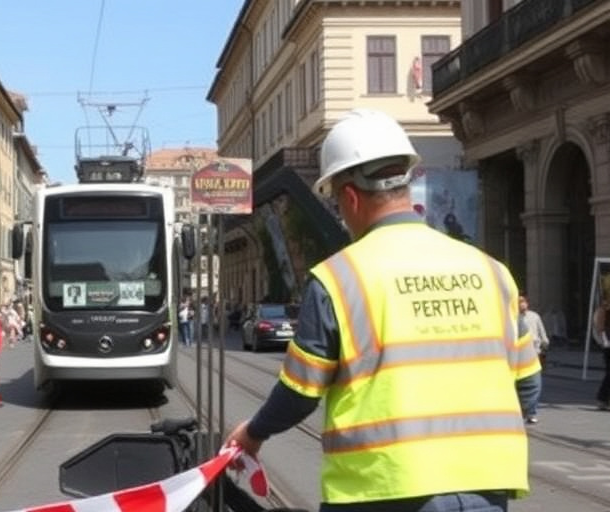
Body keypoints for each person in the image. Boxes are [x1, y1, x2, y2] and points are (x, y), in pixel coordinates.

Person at [223, 109, 541, 512]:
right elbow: (528, 385)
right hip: (486, 486)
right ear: (408, 182)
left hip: (382, 486)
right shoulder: (492, 272)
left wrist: (253, 433)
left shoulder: (339, 278)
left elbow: (300, 392)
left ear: (350, 197)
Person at [518, 294, 548, 424]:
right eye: (519, 302)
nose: (522, 304)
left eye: (523, 301)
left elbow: (542, 332)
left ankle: (531, 412)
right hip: (519, 355)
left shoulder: (534, 316)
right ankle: (523, 409)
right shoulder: (512, 318)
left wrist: (545, 343)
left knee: (535, 382)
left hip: (535, 352)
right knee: (523, 384)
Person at [594, 299, 610, 410]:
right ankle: (602, 399)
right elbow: (600, 328)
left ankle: (603, 399)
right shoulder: (603, 309)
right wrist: (605, 342)